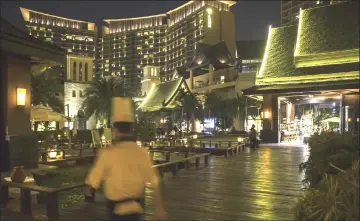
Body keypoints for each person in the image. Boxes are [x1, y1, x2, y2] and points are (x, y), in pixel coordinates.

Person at [85, 97, 167, 221]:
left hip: (116, 212)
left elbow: (92, 181)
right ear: (131, 127)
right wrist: (159, 208)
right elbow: (154, 181)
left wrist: (90, 191)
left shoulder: (108, 153)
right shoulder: (141, 152)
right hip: (136, 211)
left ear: (115, 129)